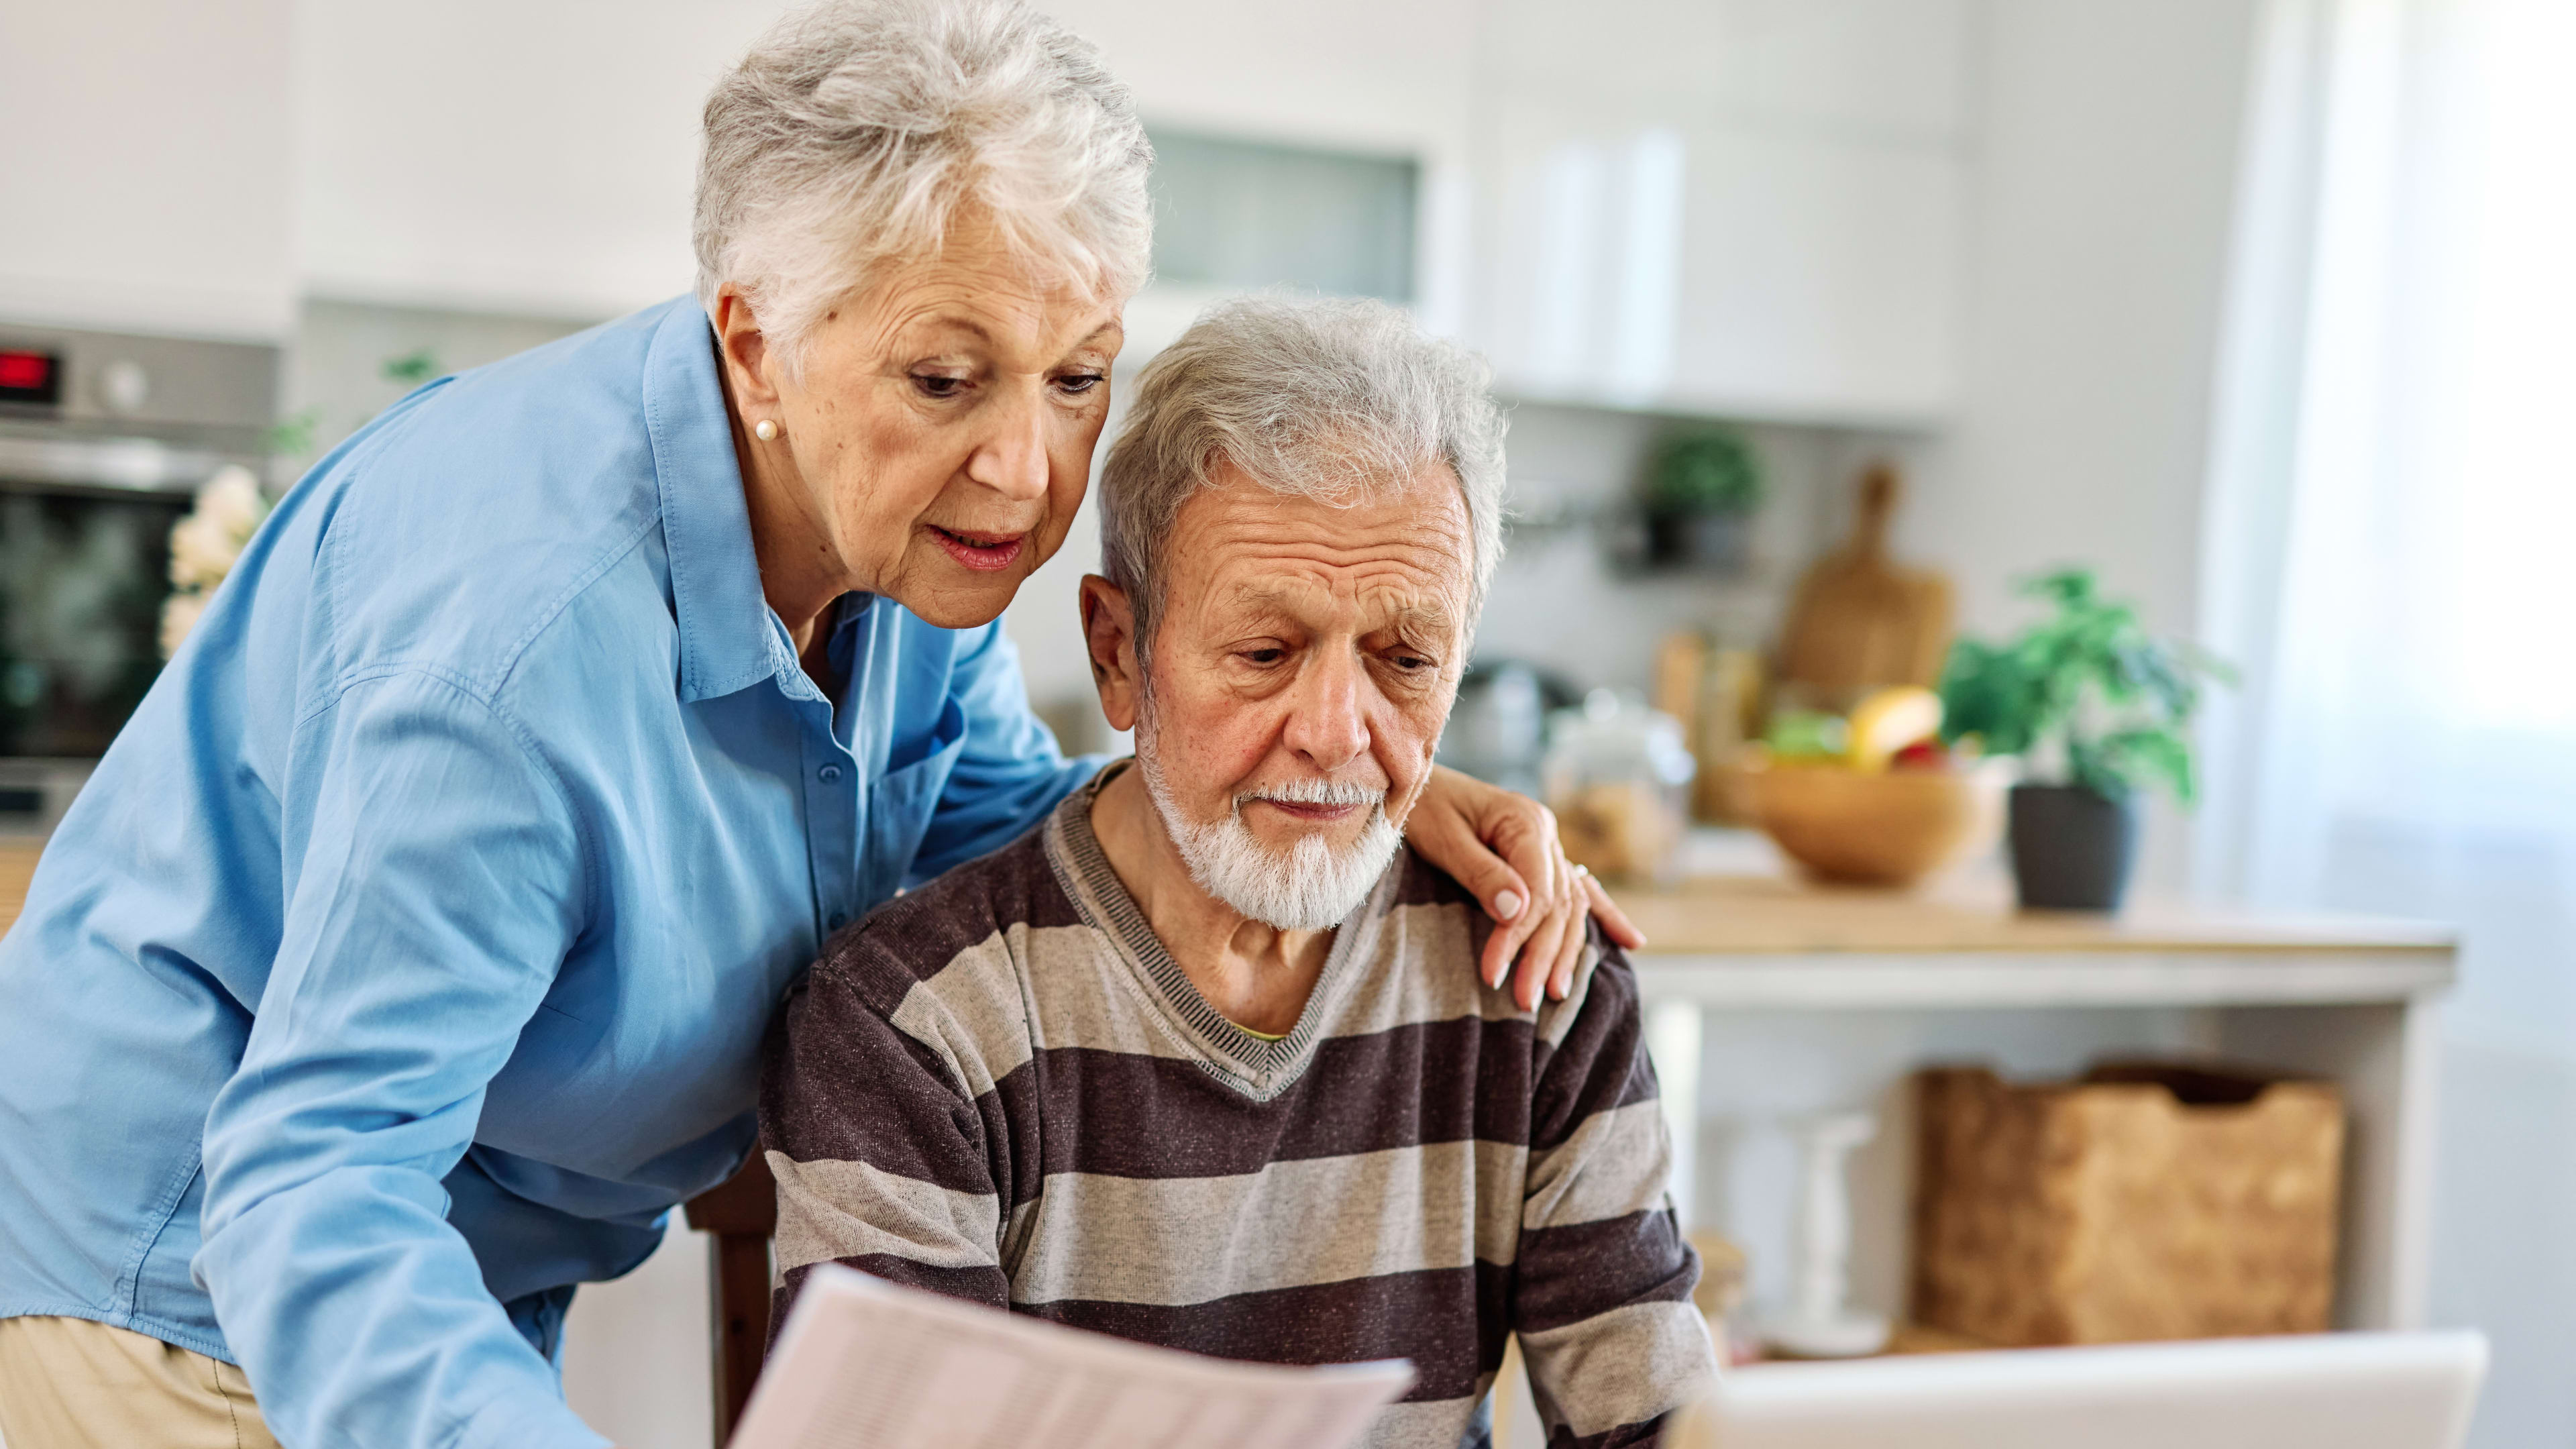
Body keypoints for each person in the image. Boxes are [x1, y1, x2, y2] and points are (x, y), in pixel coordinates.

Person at [0, 5, 1635, 1447]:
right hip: (177, 1281)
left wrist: (1339, 786)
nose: (1027, 473)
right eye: (947, 380)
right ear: (755, 341)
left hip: (451, 1262)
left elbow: (1033, 833)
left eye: (1078, 377)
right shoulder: (509, 661)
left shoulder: (901, 553)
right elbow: (310, 1189)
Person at [762, 297, 1717, 1448]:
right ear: (1119, 656)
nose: (1336, 732)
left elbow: (1652, 1425)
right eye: (1265, 653)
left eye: (1405, 659)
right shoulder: (916, 1026)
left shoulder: (1536, 980)